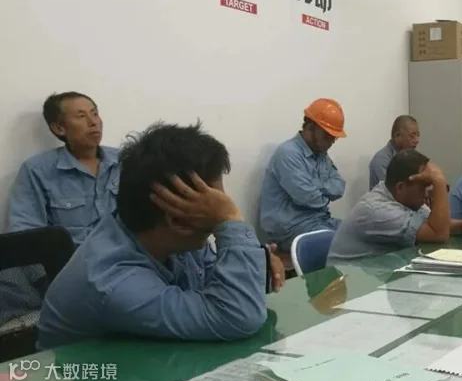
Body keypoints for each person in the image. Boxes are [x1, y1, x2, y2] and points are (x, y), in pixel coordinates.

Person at [37, 122, 284, 350]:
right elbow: (238, 316)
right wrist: (231, 221)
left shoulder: (165, 235)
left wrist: (252, 261)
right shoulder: (113, 283)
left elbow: (214, 281)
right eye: (215, 207)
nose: (223, 208)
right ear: (177, 220)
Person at [2, 92, 119, 328]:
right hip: (65, 271)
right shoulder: (38, 170)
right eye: (81, 116)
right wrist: (49, 282)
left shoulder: (126, 162)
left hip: (120, 265)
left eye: (95, 113)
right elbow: (25, 233)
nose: (93, 122)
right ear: (59, 128)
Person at [329, 150, 462, 261]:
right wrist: (438, 181)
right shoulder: (377, 210)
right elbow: (438, 234)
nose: (428, 191)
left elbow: (433, 225)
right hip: (348, 285)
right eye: (425, 184)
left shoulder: (402, 198)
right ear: (401, 187)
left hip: (377, 276)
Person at [259, 98, 347, 253]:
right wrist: (324, 191)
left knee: (359, 233)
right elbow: (309, 198)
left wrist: (316, 187)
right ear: (311, 126)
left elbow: (339, 186)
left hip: (319, 221)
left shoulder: (321, 154)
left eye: (334, 137)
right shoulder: (288, 153)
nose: (332, 141)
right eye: (327, 135)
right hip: (290, 229)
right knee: (339, 244)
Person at [369, 115, 420, 190]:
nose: (417, 140)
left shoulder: (411, 157)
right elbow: (390, 193)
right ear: (397, 136)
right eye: (412, 136)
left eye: (418, 135)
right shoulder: (381, 161)